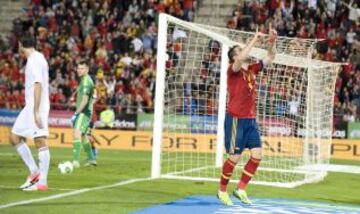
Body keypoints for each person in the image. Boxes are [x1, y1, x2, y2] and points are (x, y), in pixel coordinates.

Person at [217, 26, 277, 205]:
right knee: (234, 158)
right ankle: (222, 191)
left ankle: (240, 189)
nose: (243, 52)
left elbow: (270, 57)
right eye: (239, 50)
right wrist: (255, 37)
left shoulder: (251, 69)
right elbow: (242, 56)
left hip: (250, 120)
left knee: (257, 155)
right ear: (235, 56)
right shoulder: (233, 70)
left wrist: (272, 43)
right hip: (236, 119)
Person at [10, 34, 50, 191]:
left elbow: (38, 84)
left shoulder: (34, 60)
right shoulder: (38, 57)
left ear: (20, 44)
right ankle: (34, 172)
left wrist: (35, 111)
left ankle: (42, 182)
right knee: (14, 137)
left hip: (37, 105)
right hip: (31, 105)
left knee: (39, 140)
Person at [71, 59, 97, 168]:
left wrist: (76, 113)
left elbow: (85, 100)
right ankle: (91, 159)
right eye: (78, 68)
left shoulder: (86, 81)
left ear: (87, 69)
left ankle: (75, 161)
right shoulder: (85, 80)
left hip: (84, 112)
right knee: (82, 136)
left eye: (82, 68)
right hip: (86, 112)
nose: (79, 70)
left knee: (76, 133)